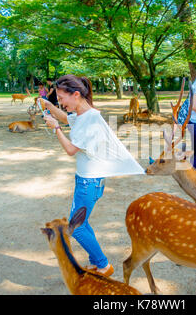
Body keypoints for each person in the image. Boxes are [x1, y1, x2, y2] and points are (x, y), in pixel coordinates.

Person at [42, 74, 144, 277]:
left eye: (62, 98)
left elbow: (71, 149)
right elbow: (64, 117)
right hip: (89, 181)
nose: (60, 103)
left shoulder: (90, 119)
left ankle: (104, 266)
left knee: (76, 228)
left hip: (89, 182)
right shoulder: (82, 114)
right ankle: (97, 263)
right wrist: (47, 104)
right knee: (83, 222)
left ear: (76, 94)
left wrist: (56, 129)